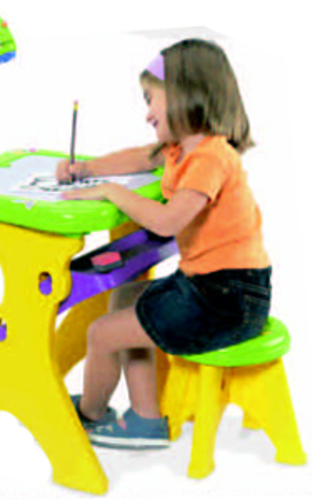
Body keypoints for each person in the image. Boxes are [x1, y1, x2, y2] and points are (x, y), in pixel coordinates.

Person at [56, 39, 272, 450]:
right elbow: (141, 157)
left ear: (186, 95)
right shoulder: (180, 149)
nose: (147, 113)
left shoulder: (211, 157)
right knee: (125, 298)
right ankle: (145, 416)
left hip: (227, 299)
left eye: (151, 99)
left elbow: (167, 221)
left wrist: (110, 191)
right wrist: (84, 168)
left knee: (102, 333)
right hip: (210, 288)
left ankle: (90, 414)